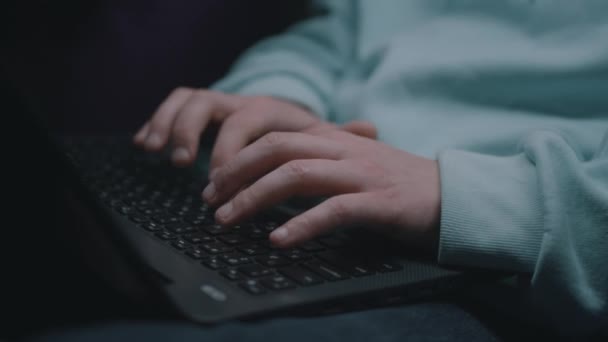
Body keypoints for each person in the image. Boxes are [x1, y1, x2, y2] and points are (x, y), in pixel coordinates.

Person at [35, 0, 608, 340]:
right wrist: (281, 99)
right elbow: (331, 38)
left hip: (495, 280)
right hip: (308, 204)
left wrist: (465, 200)